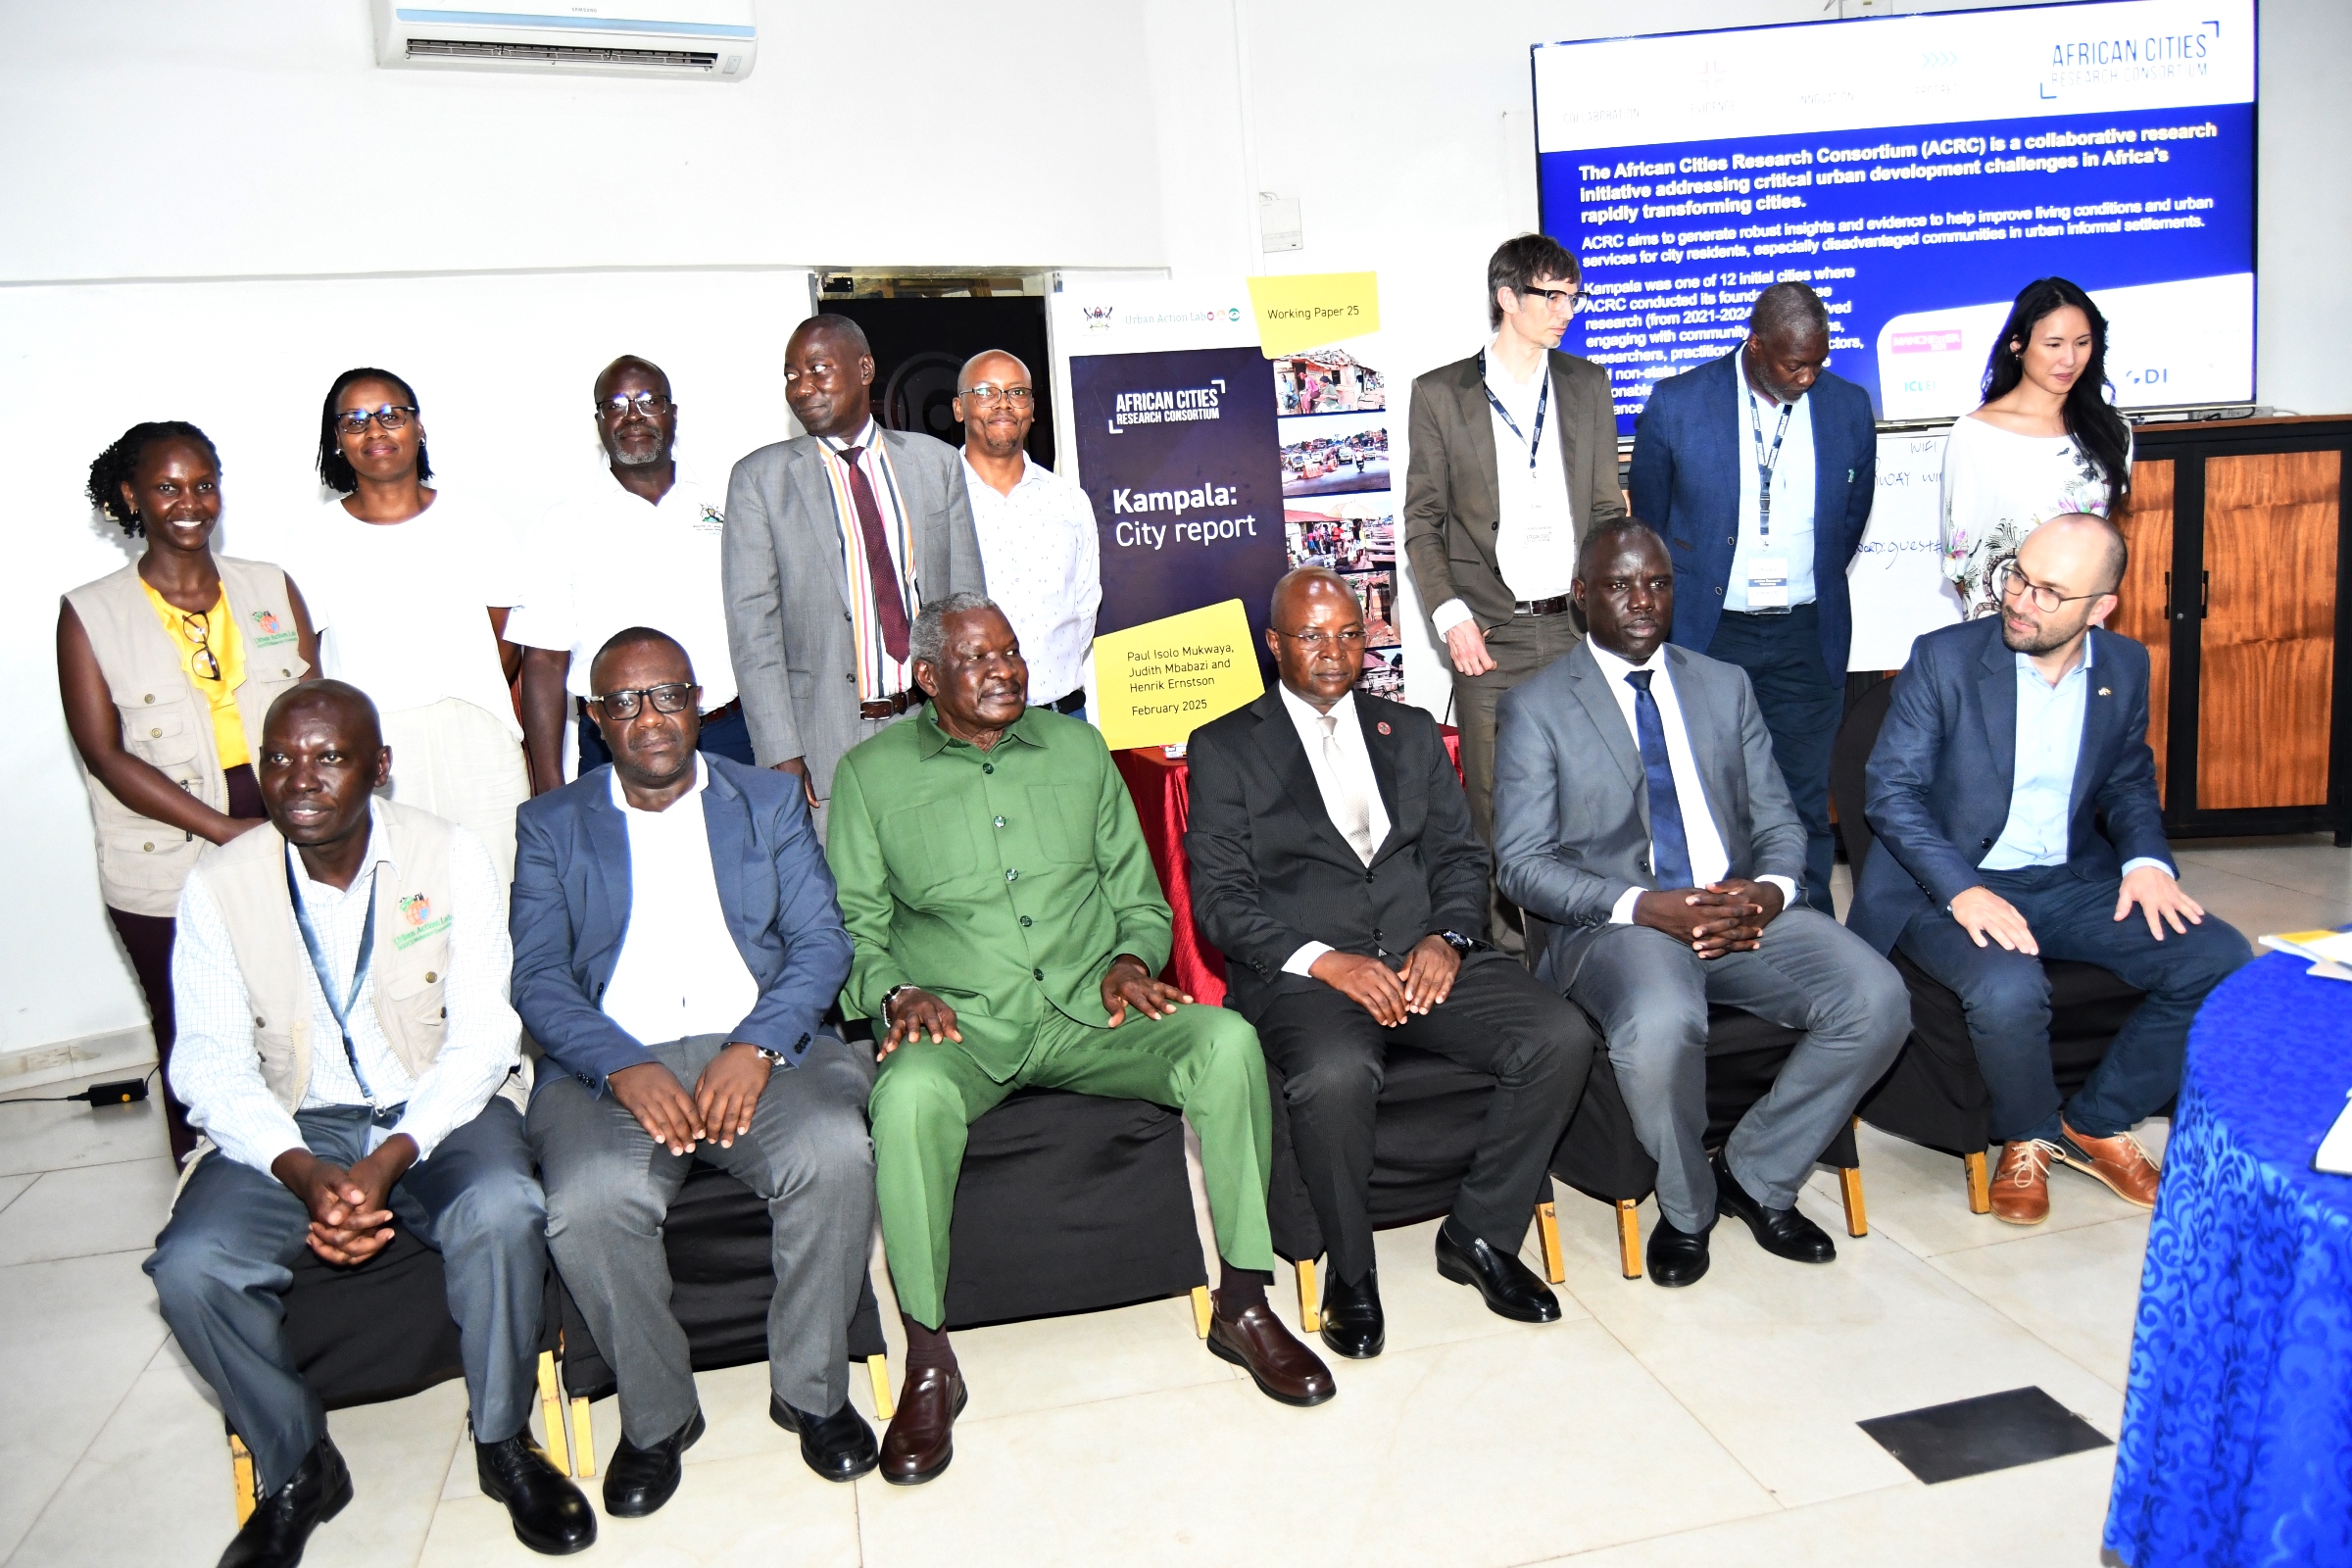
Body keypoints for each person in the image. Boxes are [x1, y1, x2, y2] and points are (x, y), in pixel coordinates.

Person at [827, 594, 1334, 1485]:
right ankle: (930, 1357)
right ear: (928, 678)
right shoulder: (870, 776)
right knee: (903, 1097)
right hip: (961, 1024)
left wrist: (1134, 960)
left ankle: (1245, 1302)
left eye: (1013, 653)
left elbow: (1140, 897)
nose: (1004, 670)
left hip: (1091, 1012)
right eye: (979, 659)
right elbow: (855, 928)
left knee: (1225, 1042)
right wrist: (895, 990)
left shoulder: (1077, 748)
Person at [143, 681, 593, 1567]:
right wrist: (302, 1170)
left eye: (327, 757)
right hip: (289, 1125)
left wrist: (389, 1158)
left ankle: (504, 1441)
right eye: (278, 758)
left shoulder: (450, 856)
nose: (298, 779)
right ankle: (297, 1462)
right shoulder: (220, 884)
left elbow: (483, 1038)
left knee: (502, 1207)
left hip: (432, 1113)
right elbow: (206, 1063)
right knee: (191, 1269)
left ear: (379, 769)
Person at [1185, 567, 1597, 1358]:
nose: (1334, 652)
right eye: (1311, 636)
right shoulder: (1226, 747)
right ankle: (1352, 1271)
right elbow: (1222, 903)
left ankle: (1479, 1234)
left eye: (1348, 633)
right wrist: (1325, 962)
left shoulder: (1406, 731)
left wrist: (1447, 937)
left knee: (1559, 1034)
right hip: (1310, 977)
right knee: (1335, 1075)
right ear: (1275, 645)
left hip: (1425, 958)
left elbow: (1459, 857)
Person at [512, 628, 879, 1510]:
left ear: (701, 701)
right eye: (625, 702)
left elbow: (821, 943)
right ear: (596, 720)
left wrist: (756, 1046)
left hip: (759, 1046)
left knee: (834, 1153)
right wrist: (619, 1064)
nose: (650, 718)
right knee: (592, 1203)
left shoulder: (767, 800)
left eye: (668, 694)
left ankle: (811, 1394)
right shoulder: (551, 824)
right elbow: (537, 977)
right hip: (613, 1068)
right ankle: (658, 1418)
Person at [1492, 521, 1910, 1288]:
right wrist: (1643, 907)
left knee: (1876, 997)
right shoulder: (1538, 707)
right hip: (1619, 926)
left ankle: (1759, 1170)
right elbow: (1519, 866)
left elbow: (1782, 822)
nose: (1642, 599)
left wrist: (1770, 891)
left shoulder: (1724, 685)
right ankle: (1688, 1209)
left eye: (1656, 582)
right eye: (1619, 585)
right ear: (1582, 598)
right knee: (1660, 1023)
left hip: (1737, 912)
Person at [1854, 514, 2251, 1224]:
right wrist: (1963, 890)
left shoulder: (2125, 666)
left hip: (2068, 878)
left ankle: (2097, 1121)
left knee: (2218, 956)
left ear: (2101, 608)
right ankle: (2028, 1135)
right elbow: (1892, 793)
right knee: (2008, 988)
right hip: (1942, 883)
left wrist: (2146, 859)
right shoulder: (1945, 659)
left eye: (2048, 593)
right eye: (2018, 576)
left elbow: (2128, 779)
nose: (2019, 600)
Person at [59, 421, 318, 1164]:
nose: (190, 502)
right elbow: (104, 754)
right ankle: (201, 1182)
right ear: (129, 495)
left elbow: (316, 707)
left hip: (285, 824)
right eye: (168, 487)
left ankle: (305, 1172)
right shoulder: (90, 612)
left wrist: (290, 825)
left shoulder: (269, 586)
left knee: (294, 1015)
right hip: (163, 850)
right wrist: (229, 832)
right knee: (194, 1033)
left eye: (204, 483)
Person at [1403, 233, 1629, 950]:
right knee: (1498, 810)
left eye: (1572, 295)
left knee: (1588, 797)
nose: (1567, 310)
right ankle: (1507, 959)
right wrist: (1450, 616)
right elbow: (1423, 522)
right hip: (1489, 636)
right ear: (1507, 298)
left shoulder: (1588, 385)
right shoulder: (1441, 394)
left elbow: (1603, 513)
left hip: (1573, 629)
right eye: (1551, 296)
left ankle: (1590, 948)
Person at [1629, 281, 1879, 914]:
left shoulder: (1847, 406)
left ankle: (1810, 925)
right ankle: (1714, 928)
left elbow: (1850, 520)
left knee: (1801, 797)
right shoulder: (1678, 404)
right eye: (1794, 363)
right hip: (1710, 633)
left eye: (1818, 362)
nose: (1807, 376)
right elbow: (1652, 526)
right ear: (1755, 345)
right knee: (1708, 793)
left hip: (1805, 630)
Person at [722, 315, 986, 840]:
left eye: (817, 369)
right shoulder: (759, 481)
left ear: (864, 368)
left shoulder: (935, 464)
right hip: (825, 738)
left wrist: (971, 719)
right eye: (791, 375)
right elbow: (754, 632)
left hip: (929, 723)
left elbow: (967, 605)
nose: (802, 387)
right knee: (846, 903)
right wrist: (782, 753)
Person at [296, 367, 531, 881]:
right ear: (336, 439)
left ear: (418, 428)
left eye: (390, 415)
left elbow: (507, 642)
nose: (375, 430)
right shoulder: (314, 540)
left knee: (499, 891)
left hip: (478, 738)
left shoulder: (475, 522)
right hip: (375, 747)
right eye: (355, 420)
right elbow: (305, 663)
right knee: (403, 904)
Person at [511, 356, 748, 795]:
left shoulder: (730, 501)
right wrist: (548, 784)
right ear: (599, 420)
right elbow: (543, 660)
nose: (633, 416)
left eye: (647, 401)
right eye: (616, 404)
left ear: (672, 412)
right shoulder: (562, 523)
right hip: (612, 742)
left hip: (728, 733)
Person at [1940, 277, 2134, 620]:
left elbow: (2102, 545)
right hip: (2000, 625)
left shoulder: (2112, 430)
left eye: (2083, 343)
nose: (2070, 359)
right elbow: (1959, 562)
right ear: (2018, 345)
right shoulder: (1976, 434)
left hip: (2078, 626)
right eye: (2054, 344)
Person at [952, 349, 1100, 719]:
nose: (1003, 404)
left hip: (1061, 718)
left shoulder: (1069, 501)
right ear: (959, 409)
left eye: (1017, 393)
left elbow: (1084, 606)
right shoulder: (933, 499)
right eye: (986, 392)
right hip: (969, 725)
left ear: (1031, 409)